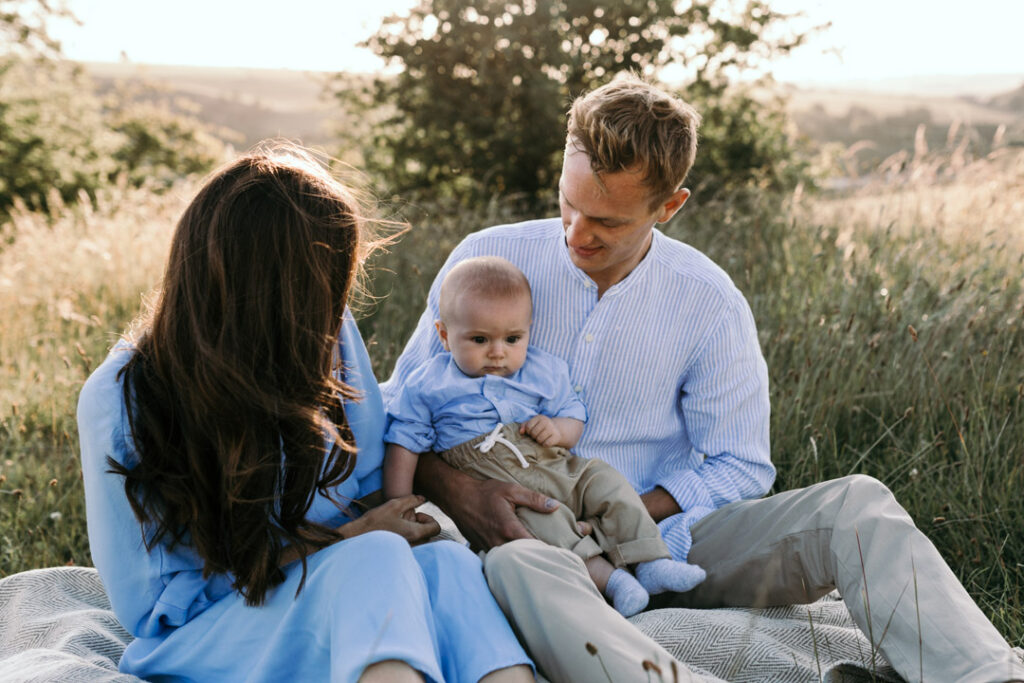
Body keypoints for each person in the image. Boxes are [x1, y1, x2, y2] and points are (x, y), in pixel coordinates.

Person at [382, 74, 1024, 683]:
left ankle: (985, 675)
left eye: (609, 223)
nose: (578, 234)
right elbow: (397, 408)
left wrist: (626, 511)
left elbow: (741, 465)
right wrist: (462, 493)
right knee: (523, 567)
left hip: (672, 536)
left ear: (671, 206)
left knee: (858, 505)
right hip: (531, 537)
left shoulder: (709, 301)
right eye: (569, 205)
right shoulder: (483, 261)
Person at [77, 145, 535, 683]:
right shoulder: (125, 395)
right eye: (319, 289)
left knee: (448, 565)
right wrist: (353, 538)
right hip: (210, 631)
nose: (334, 308)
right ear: (268, 296)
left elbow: (362, 479)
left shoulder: (328, 332)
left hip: (339, 586)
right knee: (377, 558)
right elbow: (155, 604)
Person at [383, 256, 706, 618]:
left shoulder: (542, 371)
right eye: (479, 339)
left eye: (512, 338)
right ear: (444, 335)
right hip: (495, 479)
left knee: (605, 481)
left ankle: (651, 561)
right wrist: (398, 504)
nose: (497, 352)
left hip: (553, 460)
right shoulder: (429, 384)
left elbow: (574, 414)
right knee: (542, 525)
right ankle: (613, 583)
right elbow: (403, 442)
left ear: (528, 331)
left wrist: (558, 430)